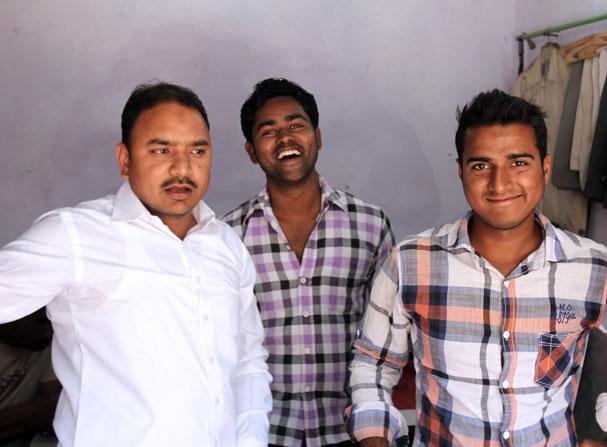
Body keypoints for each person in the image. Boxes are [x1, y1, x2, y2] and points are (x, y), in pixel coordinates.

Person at [347, 89, 607, 447]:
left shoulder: (594, 269)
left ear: (544, 168)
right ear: (461, 171)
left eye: (518, 162)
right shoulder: (409, 263)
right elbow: (372, 365)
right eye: (481, 165)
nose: (500, 184)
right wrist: (375, 438)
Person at [0, 82, 272, 447]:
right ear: (125, 160)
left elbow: (248, 361)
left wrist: (250, 441)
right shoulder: (76, 236)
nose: (182, 167)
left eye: (197, 150)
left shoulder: (227, 245)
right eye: (161, 149)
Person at [224, 78, 394, 446]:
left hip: (349, 431)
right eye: (269, 131)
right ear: (252, 150)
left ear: (317, 135)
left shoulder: (369, 225)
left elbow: (386, 342)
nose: (285, 139)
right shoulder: (229, 236)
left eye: (296, 126)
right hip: (264, 432)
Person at [0, 308, 60, 447]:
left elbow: (49, 409)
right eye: (40, 323)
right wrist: (22, 414)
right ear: (13, 316)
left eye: (54, 324)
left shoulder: (47, 349)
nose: (48, 333)